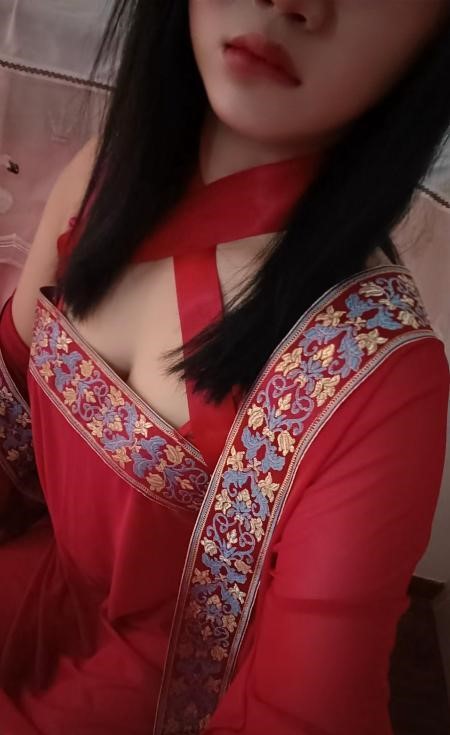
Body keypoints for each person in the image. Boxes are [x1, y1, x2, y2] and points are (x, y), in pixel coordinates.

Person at [0, 1, 449, 733]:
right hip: (34, 579)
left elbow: (304, 713)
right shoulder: (104, 176)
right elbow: (9, 418)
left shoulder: (374, 373)